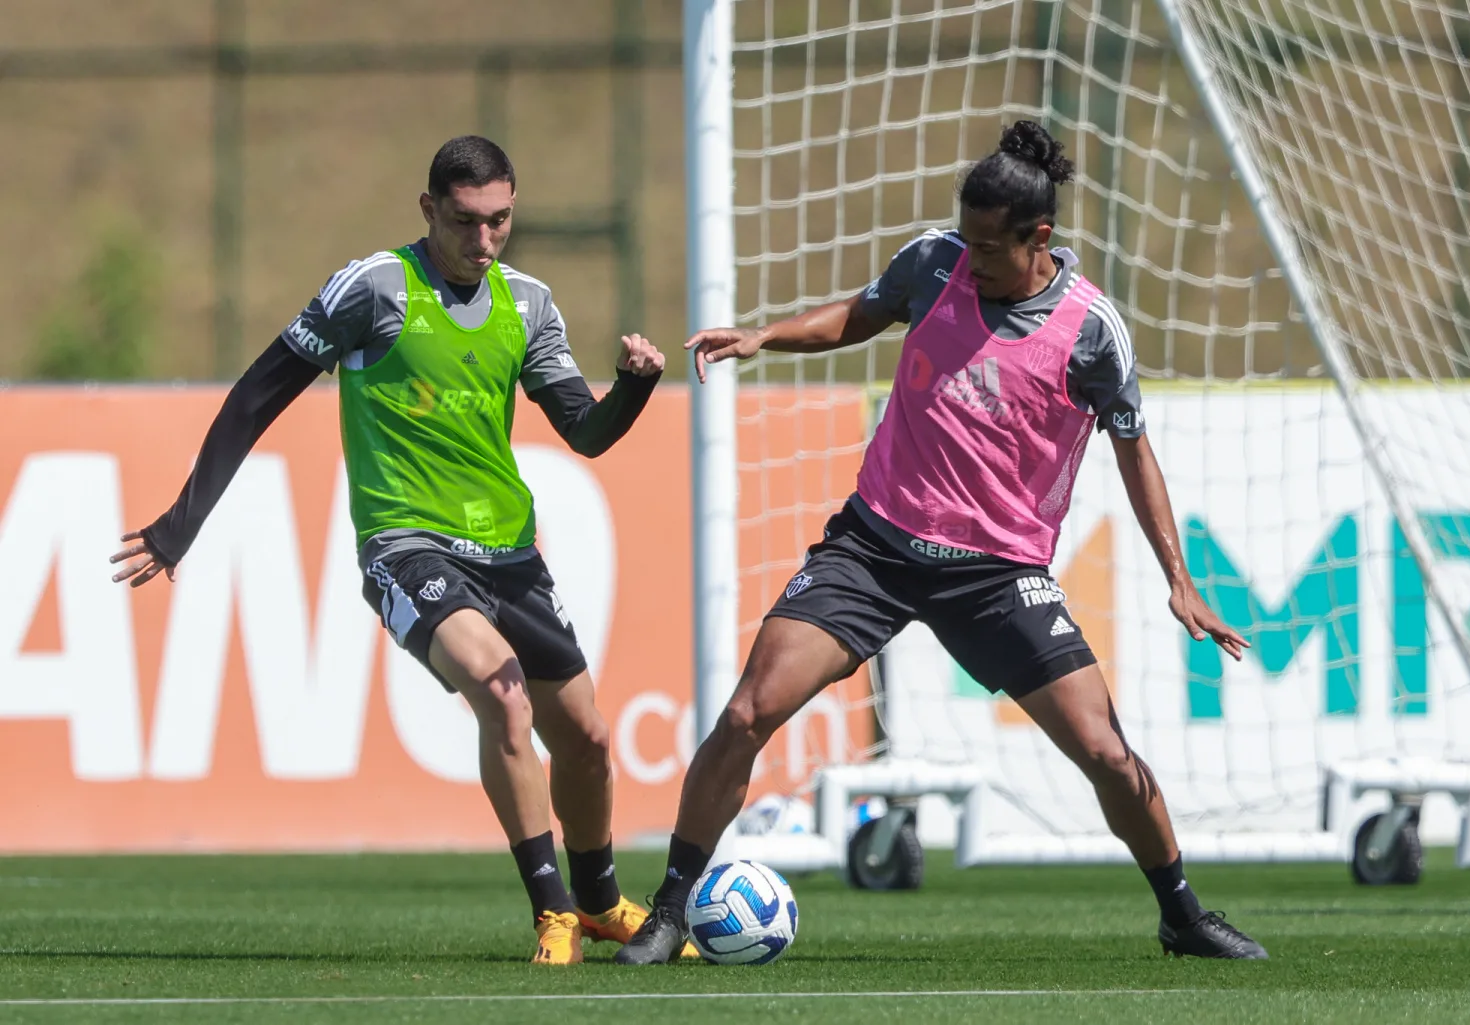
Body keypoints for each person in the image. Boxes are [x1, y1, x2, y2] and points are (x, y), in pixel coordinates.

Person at [617, 121, 1267, 964]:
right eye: (967, 239)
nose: (972, 260)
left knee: (1107, 752)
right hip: (874, 550)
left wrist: (1178, 578)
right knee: (748, 711)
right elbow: (862, 314)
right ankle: (670, 910)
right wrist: (763, 337)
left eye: (989, 247)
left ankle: (1182, 914)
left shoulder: (1091, 330)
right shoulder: (933, 261)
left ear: (1040, 237)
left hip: (999, 576)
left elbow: (1133, 448)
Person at [109, 135, 689, 965]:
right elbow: (257, 395)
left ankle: (599, 902)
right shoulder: (374, 288)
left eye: (500, 221)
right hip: (406, 544)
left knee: (590, 739)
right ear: (429, 209)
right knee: (504, 695)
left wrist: (631, 388)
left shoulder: (528, 304)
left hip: (510, 552)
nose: (484, 240)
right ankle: (554, 911)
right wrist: (182, 522)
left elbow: (584, 432)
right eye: (466, 221)